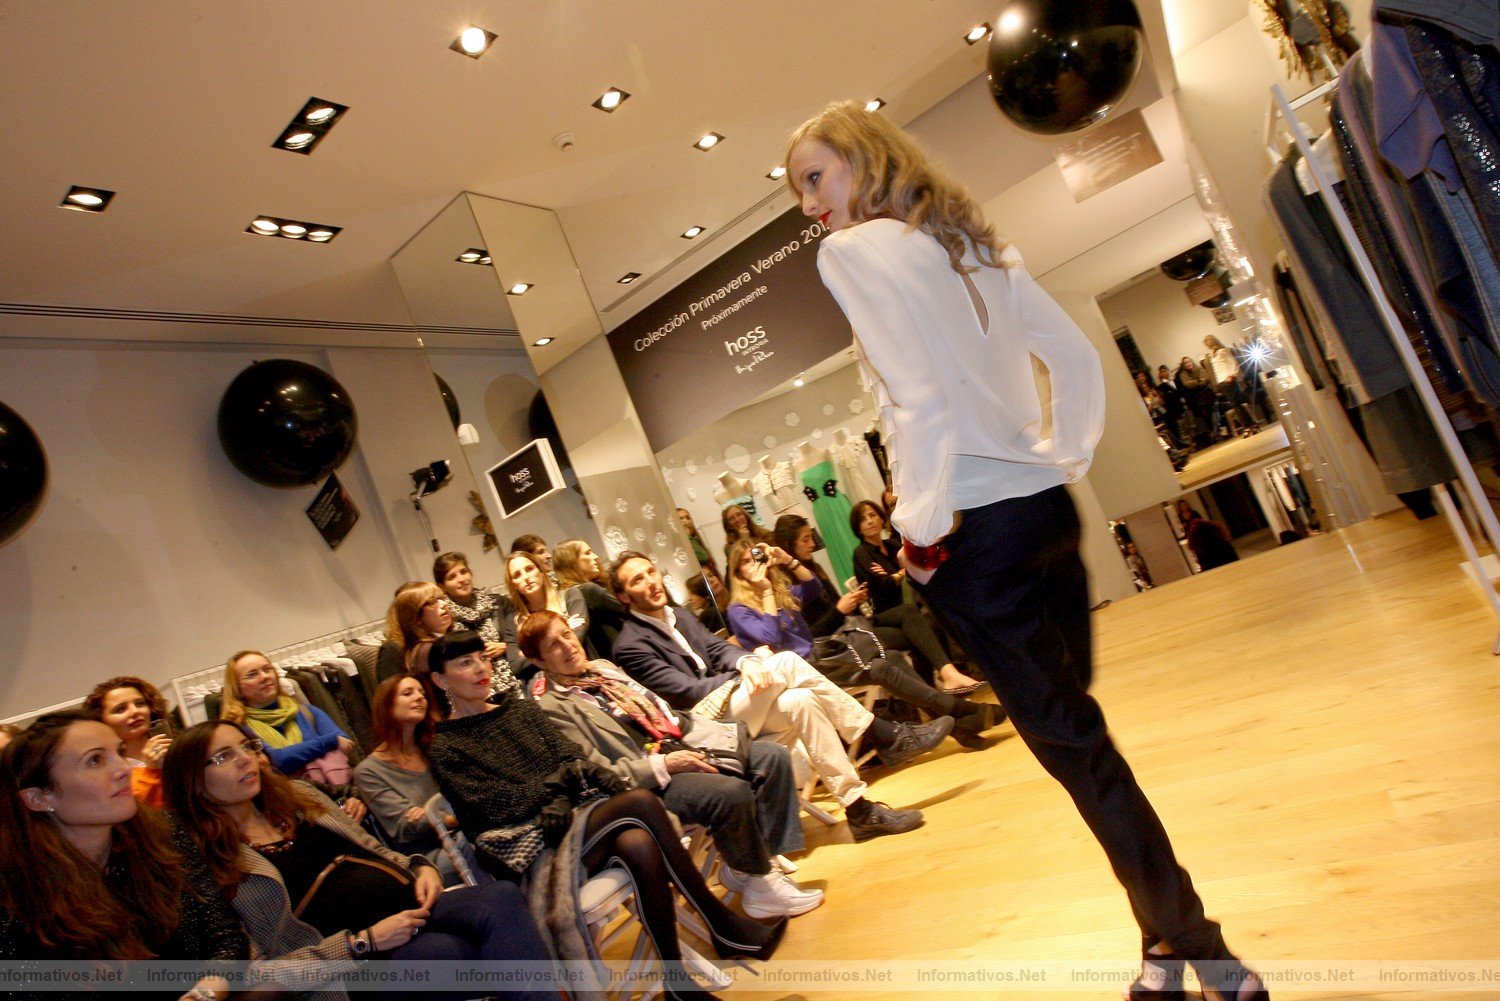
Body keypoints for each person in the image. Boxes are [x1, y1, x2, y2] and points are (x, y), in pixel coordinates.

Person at [787, 100, 1266, 1001]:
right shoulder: (969, 240)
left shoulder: (851, 252)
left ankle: (1205, 949)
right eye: (797, 189)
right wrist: (1060, 456)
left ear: (860, 160)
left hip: (977, 536)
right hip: (1046, 515)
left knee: (1080, 752)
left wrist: (922, 530)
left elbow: (921, 400)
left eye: (816, 176)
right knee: (1080, 741)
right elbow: (1074, 360)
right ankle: (1166, 949)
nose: (808, 203)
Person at [423, 632, 784, 1001]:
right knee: (640, 804)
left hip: (578, 820)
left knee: (639, 842)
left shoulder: (520, 709)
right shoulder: (446, 748)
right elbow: (494, 809)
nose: (480, 668)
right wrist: (559, 788)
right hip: (530, 849)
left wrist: (561, 792)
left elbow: (570, 760)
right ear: (439, 679)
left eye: (482, 658)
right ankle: (719, 923)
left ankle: (679, 983)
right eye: (465, 663)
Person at [164, 721, 558, 1001]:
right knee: (451, 952)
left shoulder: (302, 798)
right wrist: (360, 943)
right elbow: (258, 971)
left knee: (501, 896)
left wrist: (420, 867)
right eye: (222, 757)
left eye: (247, 747)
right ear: (192, 781)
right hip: (353, 963)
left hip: (411, 908)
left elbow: (378, 850)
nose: (245, 760)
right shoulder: (207, 863)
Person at [609, 551, 950, 841]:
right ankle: (883, 733)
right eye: (637, 580)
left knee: (800, 701)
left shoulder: (679, 614)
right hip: (704, 726)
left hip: (736, 706)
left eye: (651, 571)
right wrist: (746, 672)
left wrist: (745, 660)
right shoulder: (630, 645)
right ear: (624, 596)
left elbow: (718, 650)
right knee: (784, 660)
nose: (651, 582)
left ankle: (858, 809)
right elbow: (684, 690)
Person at [517, 613, 820, 918]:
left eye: (567, 634)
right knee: (730, 791)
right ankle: (761, 888)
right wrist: (665, 764)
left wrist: (689, 737)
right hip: (646, 785)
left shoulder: (603, 669)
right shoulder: (551, 709)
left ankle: (752, 867)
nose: (567, 645)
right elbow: (598, 771)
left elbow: (660, 708)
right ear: (539, 660)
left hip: (679, 744)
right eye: (553, 645)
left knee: (772, 757)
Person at [0, 711, 245, 1001]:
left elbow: (225, 935)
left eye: (119, 753)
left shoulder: (164, 835)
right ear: (39, 798)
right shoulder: (14, 896)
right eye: (95, 760)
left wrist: (203, 994)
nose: (124, 769)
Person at [728, 537, 998, 749]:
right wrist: (765, 593)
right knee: (879, 668)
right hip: (798, 673)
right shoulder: (738, 609)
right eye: (745, 563)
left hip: (820, 655)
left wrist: (787, 560)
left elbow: (813, 588)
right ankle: (962, 711)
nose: (755, 566)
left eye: (755, 558)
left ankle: (959, 726)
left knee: (889, 658)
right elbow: (771, 638)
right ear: (737, 573)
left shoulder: (778, 591)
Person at [353, 674, 479, 886]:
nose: (419, 698)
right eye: (408, 693)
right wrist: (453, 815)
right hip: (429, 855)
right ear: (387, 706)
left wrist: (434, 811)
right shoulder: (369, 771)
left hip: (467, 831)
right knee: (480, 846)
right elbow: (405, 827)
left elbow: (472, 789)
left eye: (422, 693)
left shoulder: (435, 746)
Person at [850, 499, 985, 694]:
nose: (869, 521)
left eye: (873, 515)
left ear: (881, 518)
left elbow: (911, 571)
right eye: (863, 519)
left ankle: (937, 691)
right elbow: (882, 586)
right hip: (883, 615)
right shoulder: (861, 553)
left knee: (932, 624)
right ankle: (947, 678)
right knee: (912, 614)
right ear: (858, 527)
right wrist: (901, 572)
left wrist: (895, 575)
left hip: (910, 612)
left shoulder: (894, 544)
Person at [221, 650, 359, 783]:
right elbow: (276, 761)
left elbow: (345, 743)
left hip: (339, 793)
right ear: (237, 689)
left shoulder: (306, 712)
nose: (264, 676)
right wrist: (329, 741)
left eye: (267, 669)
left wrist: (296, 755)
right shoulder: (239, 729)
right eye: (252, 675)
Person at [85, 674, 175, 808]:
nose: (135, 711)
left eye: (140, 703)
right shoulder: (106, 773)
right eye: (121, 709)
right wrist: (149, 772)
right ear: (101, 722)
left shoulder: (176, 745)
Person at [502, 550, 591, 675]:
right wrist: (567, 628)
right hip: (548, 685)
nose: (526, 577)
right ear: (513, 585)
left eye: (529, 569)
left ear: (541, 572)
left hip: (585, 669)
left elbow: (578, 637)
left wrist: (533, 652)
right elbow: (516, 666)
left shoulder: (569, 596)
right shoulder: (514, 621)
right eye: (517, 575)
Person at [553, 538, 629, 657]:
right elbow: (631, 609)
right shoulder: (588, 590)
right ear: (572, 562)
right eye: (587, 553)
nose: (596, 557)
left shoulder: (569, 594)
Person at [433, 550, 508, 660]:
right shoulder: (445, 619)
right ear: (442, 586)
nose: (462, 579)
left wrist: (506, 646)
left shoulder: (497, 602)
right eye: (452, 577)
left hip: (515, 670)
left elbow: (520, 638)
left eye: (464, 572)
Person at [677, 507, 721, 580]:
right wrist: (687, 536)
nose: (686, 521)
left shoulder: (696, 539)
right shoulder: (681, 545)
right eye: (680, 519)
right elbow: (703, 557)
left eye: (688, 517)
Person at [685, 569, 731, 633]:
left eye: (692, 593)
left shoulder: (709, 614)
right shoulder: (714, 610)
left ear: (702, 591)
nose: (689, 599)